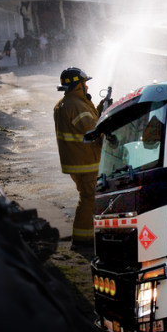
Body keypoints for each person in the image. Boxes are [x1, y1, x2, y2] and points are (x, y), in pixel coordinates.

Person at [53, 67, 105, 247]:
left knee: (88, 196)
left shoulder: (67, 102)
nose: (87, 87)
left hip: (78, 160)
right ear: (77, 85)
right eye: (85, 83)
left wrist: (101, 109)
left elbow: (88, 124)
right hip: (85, 161)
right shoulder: (76, 106)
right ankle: (83, 239)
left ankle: (88, 234)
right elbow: (93, 131)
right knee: (89, 198)